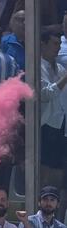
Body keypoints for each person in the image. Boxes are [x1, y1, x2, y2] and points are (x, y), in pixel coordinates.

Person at [40, 30, 67, 205]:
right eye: (54, 44)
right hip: (47, 123)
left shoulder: (60, 68)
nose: (58, 48)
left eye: (59, 44)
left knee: (59, 172)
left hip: (62, 125)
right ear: (43, 44)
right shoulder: (38, 66)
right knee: (47, 171)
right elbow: (45, 94)